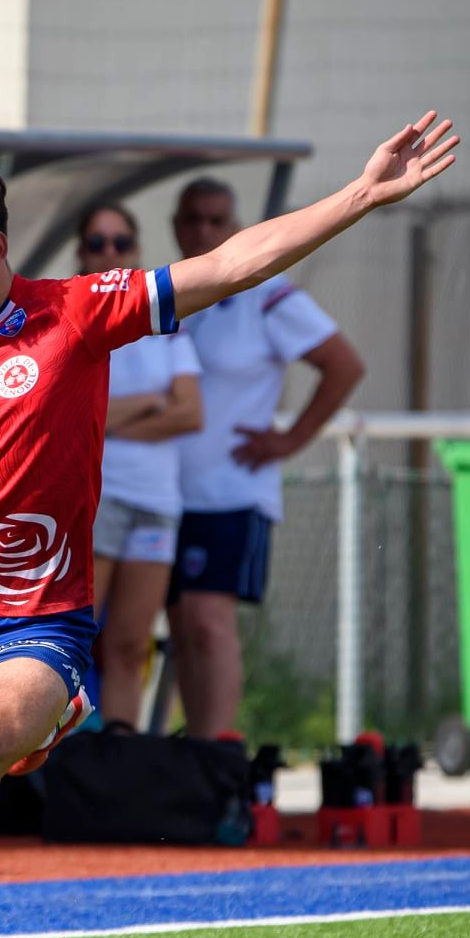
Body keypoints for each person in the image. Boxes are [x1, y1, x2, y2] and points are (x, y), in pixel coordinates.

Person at [0, 112, 459, 938]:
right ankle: (22, 734)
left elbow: (230, 266)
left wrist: (360, 195)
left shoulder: (77, 314)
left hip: (37, 622)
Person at [166, 177, 369, 738]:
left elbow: (344, 365)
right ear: (177, 227)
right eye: (194, 219)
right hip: (166, 494)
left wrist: (290, 439)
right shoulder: (170, 297)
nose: (204, 231)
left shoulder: (267, 293)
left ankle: (217, 757)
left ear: (234, 227)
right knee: (181, 629)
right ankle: (195, 757)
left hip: (231, 492)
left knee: (210, 624)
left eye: (217, 220)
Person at [75, 202, 203, 729]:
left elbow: (191, 413)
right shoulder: (73, 317)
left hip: (157, 504)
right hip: (99, 500)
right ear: (81, 252)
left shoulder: (163, 322)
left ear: (138, 249)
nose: (110, 253)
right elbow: (78, 419)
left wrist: (111, 418)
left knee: (130, 646)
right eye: (99, 243)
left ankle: (118, 759)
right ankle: (61, 757)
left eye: (121, 242)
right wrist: (151, 402)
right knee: (74, 638)